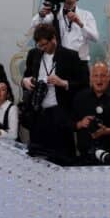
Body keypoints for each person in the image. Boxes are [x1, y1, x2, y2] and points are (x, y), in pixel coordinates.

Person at [21, 24, 87, 162]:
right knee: (37, 159)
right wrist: (25, 81)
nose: (42, 48)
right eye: (39, 45)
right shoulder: (34, 54)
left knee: (63, 158)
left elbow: (84, 84)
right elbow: (26, 76)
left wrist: (63, 83)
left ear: (54, 39)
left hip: (60, 114)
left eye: (44, 44)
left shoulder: (71, 56)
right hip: (38, 113)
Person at [72, 61, 110, 164]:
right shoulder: (80, 97)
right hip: (87, 156)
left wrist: (109, 130)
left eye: (102, 76)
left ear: (109, 77)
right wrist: (80, 124)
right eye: (95, 76)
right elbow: (69, 122)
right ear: (90, 78)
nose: (99, 80)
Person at [31, 0, 98, 73]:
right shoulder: (54, 14)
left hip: (81, 62)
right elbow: (35, 25)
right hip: (60, 63)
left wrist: (80, 23)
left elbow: (95, 37)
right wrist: (41, 15)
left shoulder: (86, 15)